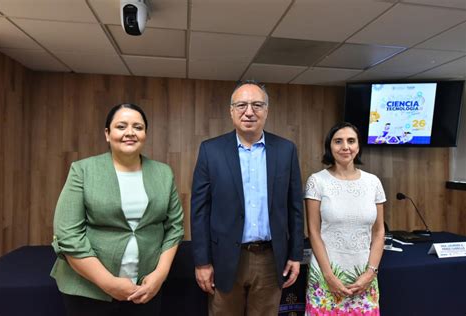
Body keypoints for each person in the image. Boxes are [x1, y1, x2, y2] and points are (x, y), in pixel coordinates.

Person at [51, 103, 184, 316]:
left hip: (145, 290)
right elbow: (68, 235)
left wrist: (160, 274)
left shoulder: (163, 173)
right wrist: (109, 283)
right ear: (107, 133)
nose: (130, 133)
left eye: (138, 127)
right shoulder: (83, 170)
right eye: (121, 126)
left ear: (145, 134)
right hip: (89, 291)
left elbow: (175, 227)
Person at [191, 80, 304, 316]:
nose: (249, 112)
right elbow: (200, 211)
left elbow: (294, 207)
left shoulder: (286, 150)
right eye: (241, 105)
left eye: (257, 105)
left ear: (267, 110)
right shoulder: (210, 151)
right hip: (225, 259)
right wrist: (202, 262)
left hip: (270, 260)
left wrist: (295, 254)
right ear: (231, 111)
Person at [305, 122, 385, 316]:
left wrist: (370, 273)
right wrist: (329, 276)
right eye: (338, 141)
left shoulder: (373, 182)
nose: (345, 147)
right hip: (326, 277)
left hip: (364, 278)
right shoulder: (317, 181)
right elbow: (313, 232)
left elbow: (379, 231)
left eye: (351, 141)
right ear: (329, 147)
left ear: (358, 146)